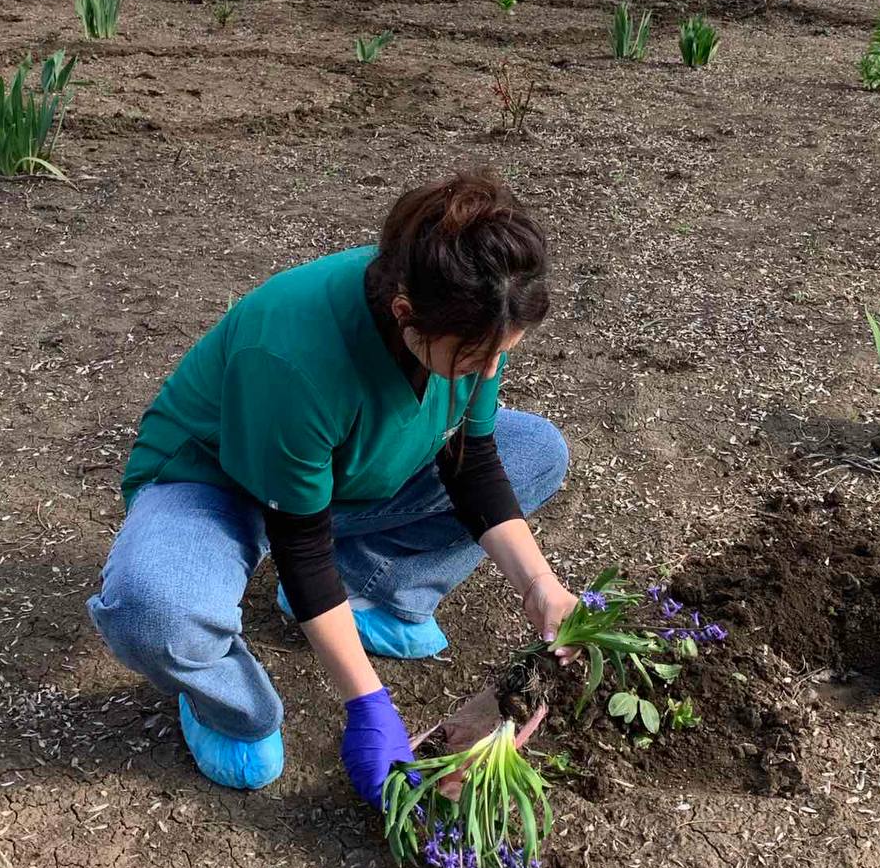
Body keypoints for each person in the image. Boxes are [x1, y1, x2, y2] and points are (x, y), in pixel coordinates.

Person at [87, 172, 575, 808]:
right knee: (151, 610)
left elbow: (472, 464)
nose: (488, 371)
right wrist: (366, 702)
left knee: (535, 453)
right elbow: (300, 541)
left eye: (498, 355)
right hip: (218, 484)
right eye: (474, 359)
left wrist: (540, 585)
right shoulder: (296, 356)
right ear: (406, 315)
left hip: (340, 475)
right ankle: (230, 708)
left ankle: (372, 590)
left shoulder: (477, 312)